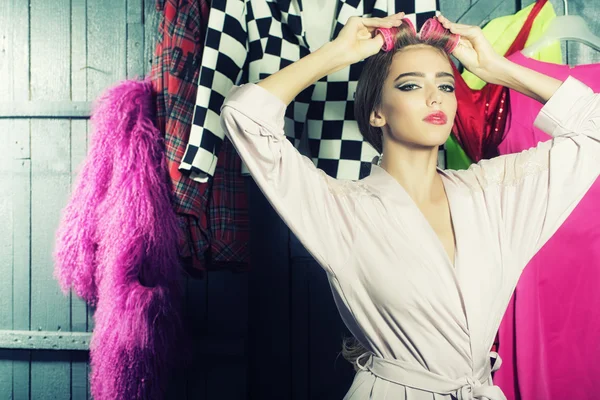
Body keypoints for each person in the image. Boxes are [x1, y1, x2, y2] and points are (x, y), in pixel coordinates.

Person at [219, 11, 600, 400]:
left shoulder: (493, 195)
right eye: (410, 85)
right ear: (376, 112)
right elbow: (245, 116)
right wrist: (337, 53)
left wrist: (496, 68)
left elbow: (594, 127)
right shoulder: (343, 211)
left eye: (447, 87)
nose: (435, 97)